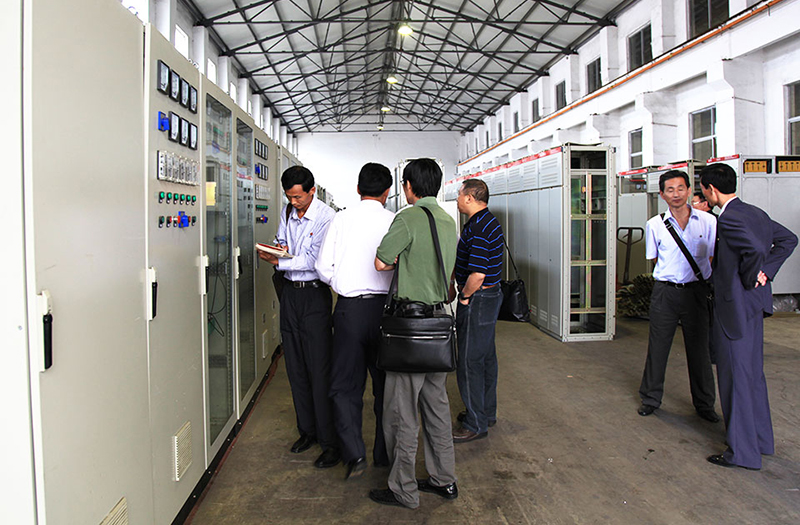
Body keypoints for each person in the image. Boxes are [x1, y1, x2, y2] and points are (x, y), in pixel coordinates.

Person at [369, 158, 459, 508]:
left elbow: (381, 261)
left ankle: (403, 490)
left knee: (402, 413)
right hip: (437, 326)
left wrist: (402, 260)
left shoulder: (407, 217)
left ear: (408, 186)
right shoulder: (448, 220)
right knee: (437, 408)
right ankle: (443, 479)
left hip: (410, 328)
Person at [699, 163, 797, 470]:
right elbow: (789, 239)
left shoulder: (729, 219)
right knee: (753, 375)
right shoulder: (756, 213)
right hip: (754, 306)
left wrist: (752, 274)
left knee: (735, 378)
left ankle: (742, 453)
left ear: (711, 190)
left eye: (703, 190)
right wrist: (766, 271)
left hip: (734, 308)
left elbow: (753, 248)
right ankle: (761, 441)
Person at [315, 163, 394, 480]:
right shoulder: (394, 220)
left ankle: (354, 455)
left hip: (349, 311)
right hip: (386, 314)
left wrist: (342, 283)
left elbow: (323, 267)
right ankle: (384, 454)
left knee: (345, 386)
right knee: (386, 386)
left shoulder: (341, 219)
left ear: (358, 189)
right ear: (387, 192)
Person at [258, 166, 340, 469]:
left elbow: (315, 260)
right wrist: (278, 251)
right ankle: (307, 431)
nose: (293, 203)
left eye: (298, 198)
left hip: (314, 296)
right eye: (289, 198)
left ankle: (330, 442)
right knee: (295, 367)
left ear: (312, 191)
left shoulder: (326, 217)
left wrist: (279, 261)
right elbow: (283, 242)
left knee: (319, 368)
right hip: (290, 295)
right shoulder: (288, 212)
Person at [637, 170, 720, 422]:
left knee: (699, 350)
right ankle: (650, 398)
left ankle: (705, 404)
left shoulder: (708, 221)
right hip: (665, 292)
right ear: (662, 194)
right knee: (658, 346)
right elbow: (654, 258)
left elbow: (712, 257)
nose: (676, 194)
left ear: (689, 190)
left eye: (681, 188)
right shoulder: (654, 224)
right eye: (670, 190)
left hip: (696, 292)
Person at [452, 179, 505, 443]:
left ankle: (475, 423)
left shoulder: (480, 228)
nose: (457, 199)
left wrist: (464, 297)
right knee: (485, 357)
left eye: (459, 194)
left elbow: (478, 274)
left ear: (470, 198)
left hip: (479, 298)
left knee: (470, 361)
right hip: (489, 297)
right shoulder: (484, 221)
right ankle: (485, 412)